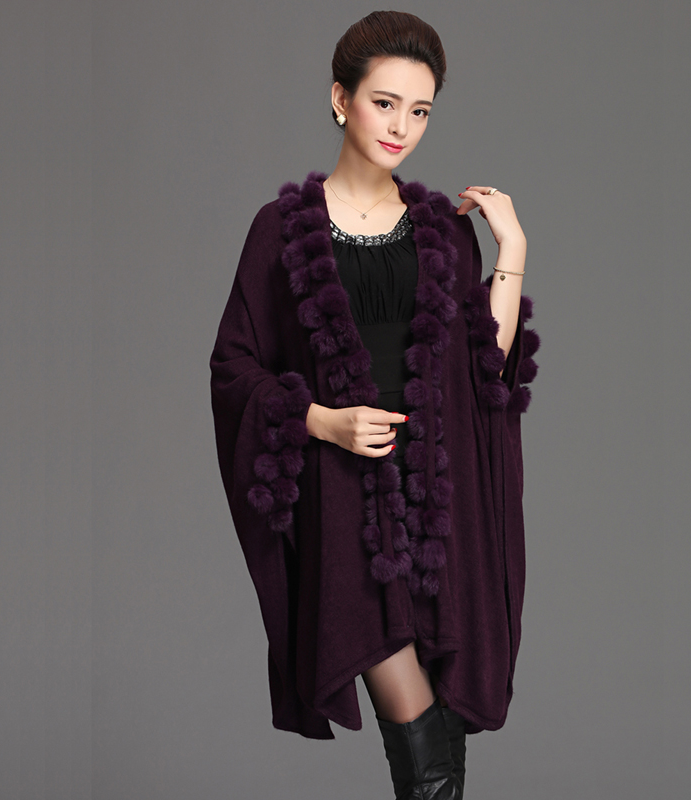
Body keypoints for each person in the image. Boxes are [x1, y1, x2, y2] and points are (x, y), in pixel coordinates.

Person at [209, 11, 540, 799]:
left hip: (440, 503)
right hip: (345, 505)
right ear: (341, 99)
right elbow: (234, 367)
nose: (401, 127)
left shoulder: (443, 233)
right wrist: (322, 421)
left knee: (438, 731)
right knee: (414, 719)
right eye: (385, 103)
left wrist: (512, 253)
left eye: (419, 111)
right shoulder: (280, 231)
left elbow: (485, 376)